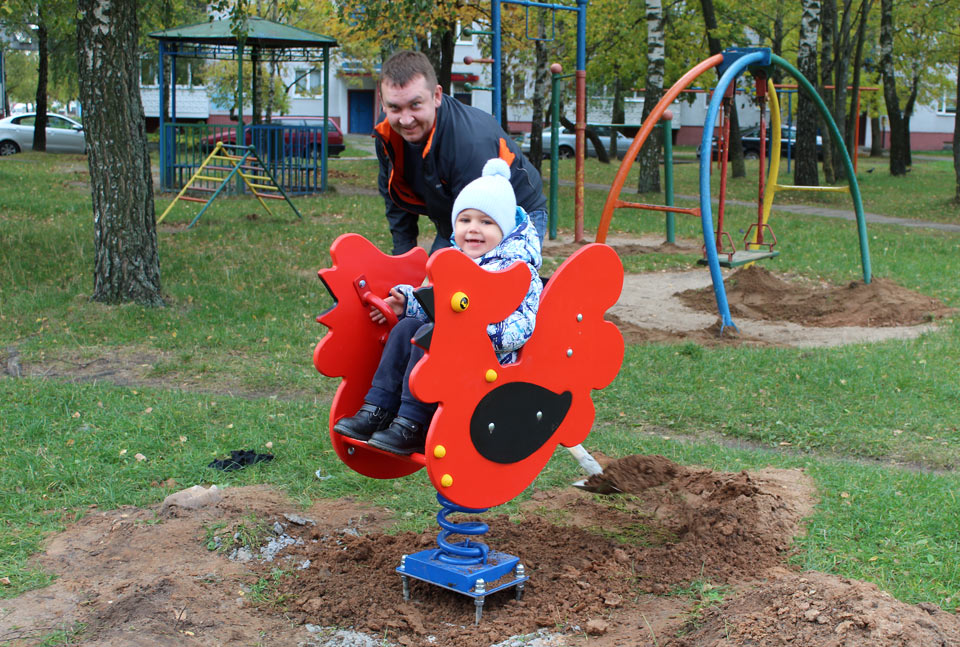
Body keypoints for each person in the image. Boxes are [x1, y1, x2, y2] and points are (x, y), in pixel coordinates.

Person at [334, 158, 543, 455]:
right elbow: (439, 303)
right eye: (465, 220)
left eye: (486, 222)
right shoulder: (454, 262)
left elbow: (522, 326)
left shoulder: (518, 272)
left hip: (489, 363)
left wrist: (476, 332)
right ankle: (379, 407)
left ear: (506, 228)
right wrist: (409, 302)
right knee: (407, 328)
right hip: (453, 350)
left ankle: (414, 422)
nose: (473, 229)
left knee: (432, 335)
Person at [374, 50, 548, 255]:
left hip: (517, 210)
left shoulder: (469, 143)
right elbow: (395, 198)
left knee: (488, 273)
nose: (405, 119)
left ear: (436, 96)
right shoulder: (388, 133)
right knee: (436, 272)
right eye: (395, 108)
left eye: (415, 105)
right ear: (383, 103)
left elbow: (475, 235)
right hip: (457, 213)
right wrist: (403, 257)